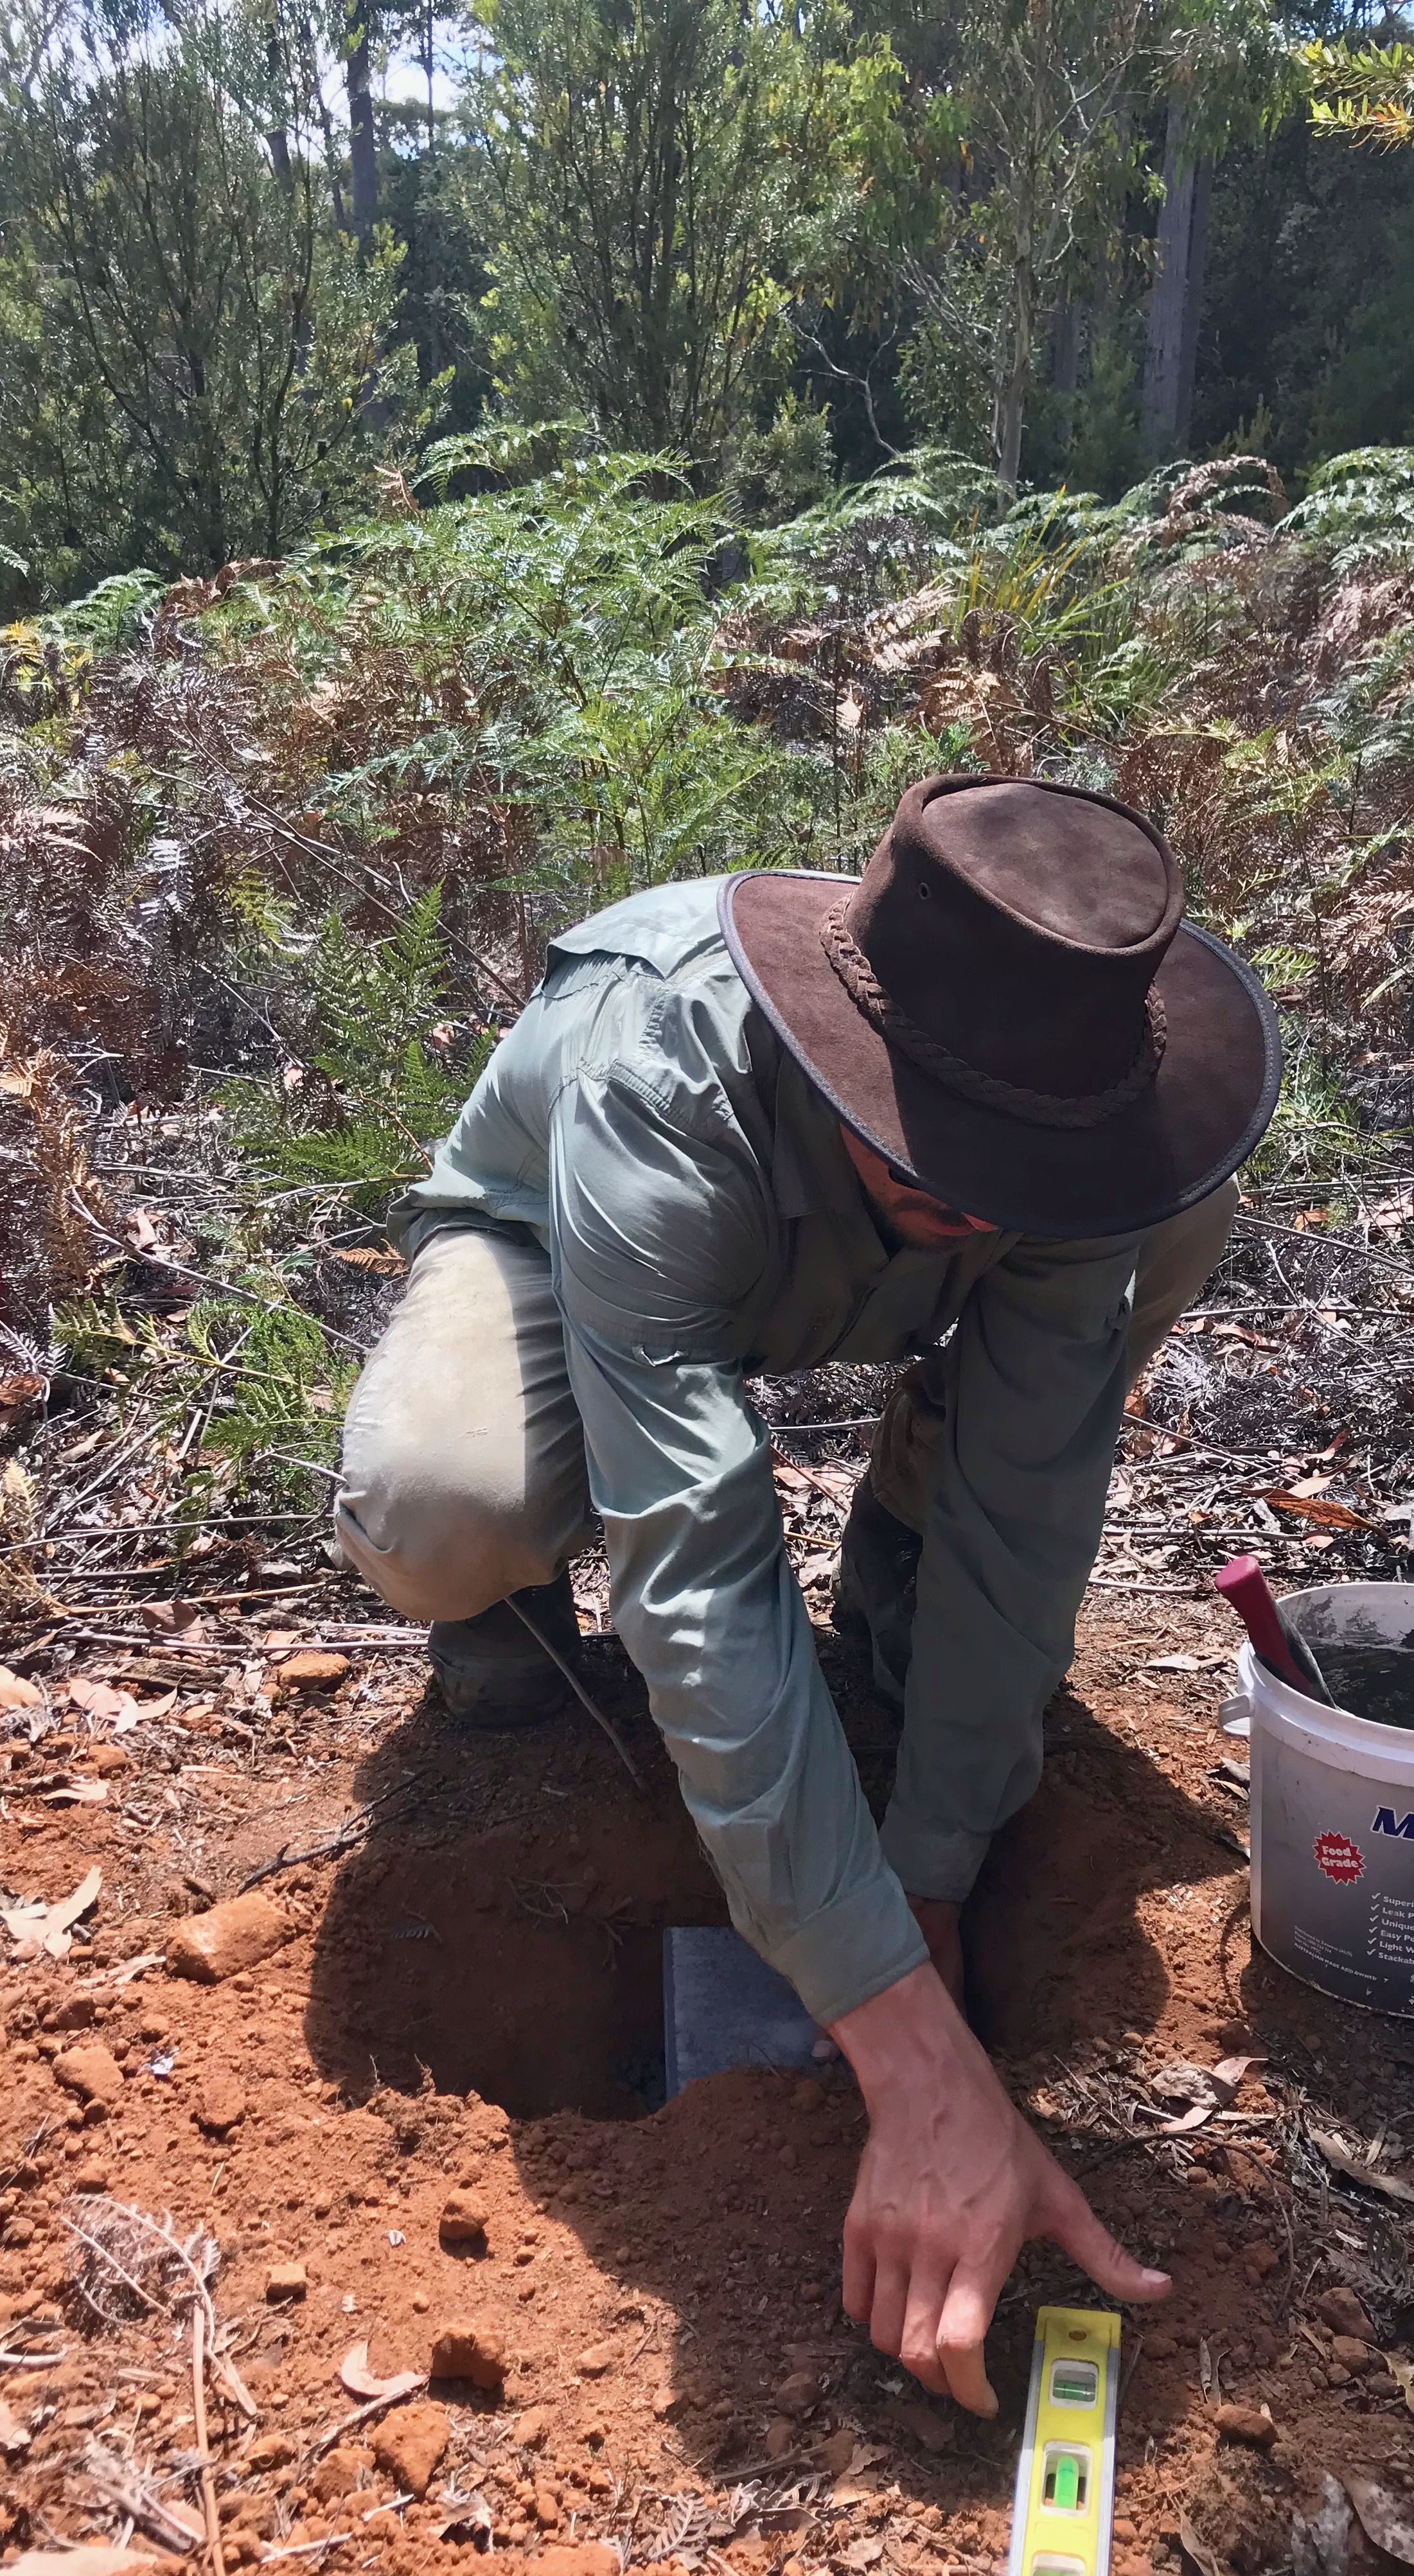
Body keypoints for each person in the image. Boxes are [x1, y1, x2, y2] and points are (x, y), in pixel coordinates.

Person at [335, 774, 1280, 2415]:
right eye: (944, 1148)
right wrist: (906, 2048)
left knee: (1164, 1218)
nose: (979, 1198)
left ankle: (897, 1545)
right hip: (567, 1256)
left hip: (862, 1283)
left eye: (1016, 1166)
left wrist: (930, 1875)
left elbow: (1031, 1505)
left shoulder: (1070, 1137)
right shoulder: (660, 1075)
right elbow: (698, 1558)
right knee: (444, 1503)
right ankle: (500, 1621)